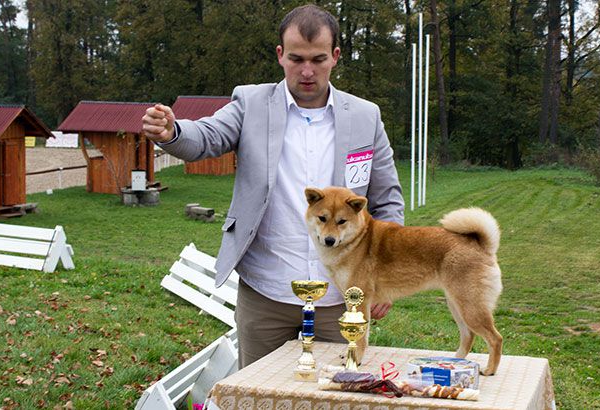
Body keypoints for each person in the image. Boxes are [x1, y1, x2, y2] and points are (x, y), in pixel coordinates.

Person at [142, 4, 404, 368]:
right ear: (280, 55)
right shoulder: (250, 103)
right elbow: (206, 137)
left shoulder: (365, 115)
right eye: (296, 58)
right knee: (256, 395)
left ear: (336, 57)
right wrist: (173, 132)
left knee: (340, 396)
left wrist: (386, 273)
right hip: (265, 292)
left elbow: (388, 199)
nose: (307, 71)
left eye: (318, 59)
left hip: (342, 298)